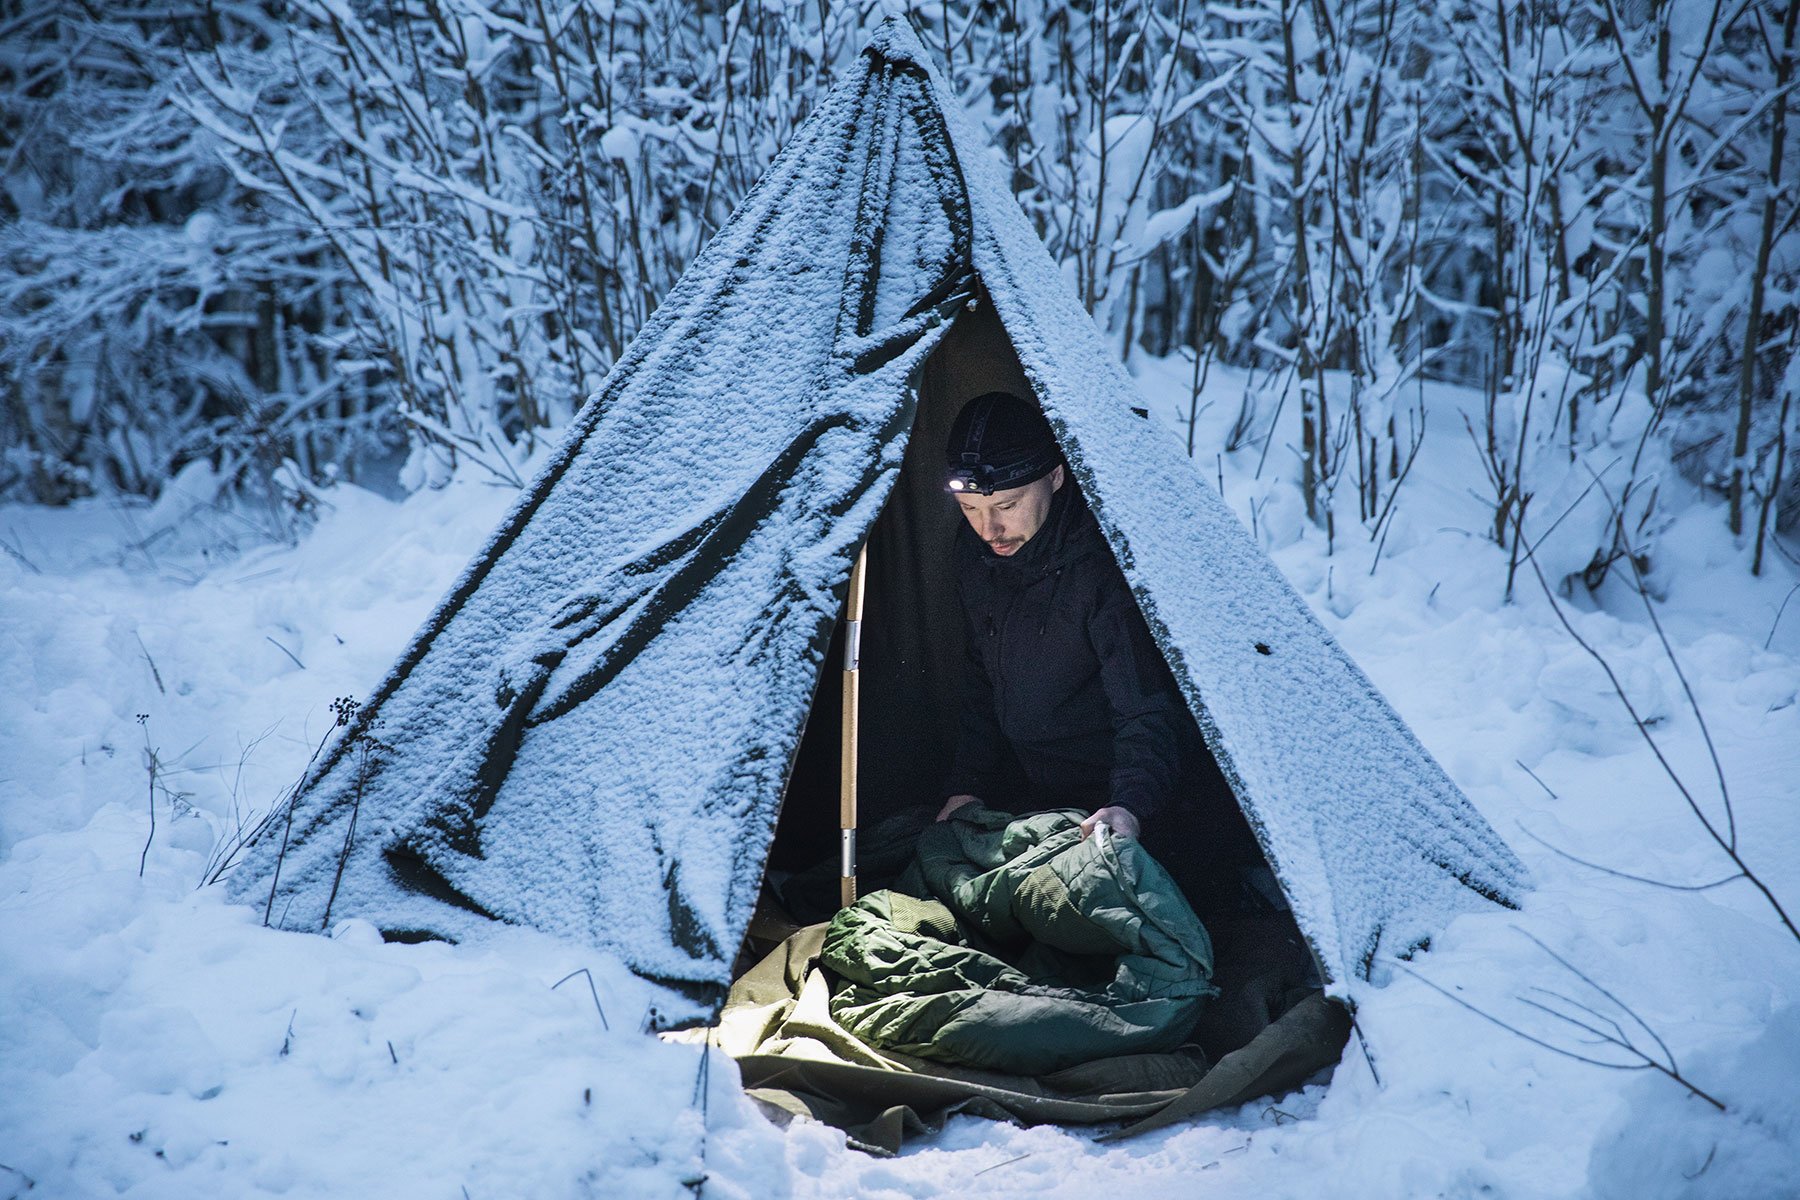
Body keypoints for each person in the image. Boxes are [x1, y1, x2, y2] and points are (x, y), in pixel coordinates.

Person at [934, 391, 1254, 895]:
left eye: (1008, 506)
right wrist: (966, 786)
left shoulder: (1105, 565)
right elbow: (981, 679)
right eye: (970, 508)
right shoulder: (976, 558)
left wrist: (1129, 806)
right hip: (1033, 793)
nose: (988, 528)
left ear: (1057, 478)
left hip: (1127, 798)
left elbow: (1148, 706)